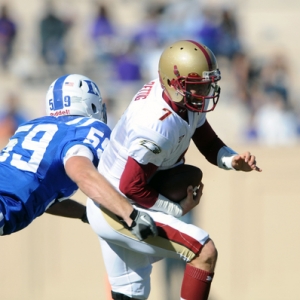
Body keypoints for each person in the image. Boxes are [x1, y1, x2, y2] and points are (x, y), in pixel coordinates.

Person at [86, 40, 262, 300]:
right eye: (198, 85)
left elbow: (208, 142)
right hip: (117, 206)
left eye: (207, 83)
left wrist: (232, 160)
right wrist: (176, 209)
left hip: (117, 200)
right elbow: (130, 187)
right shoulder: (157, 125)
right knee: (203, 251)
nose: (206, 90)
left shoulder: (180, 100)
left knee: (131, 294)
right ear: (175, 85)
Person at [0, 73, 157, 241]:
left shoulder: (31, 126)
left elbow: (42, 197)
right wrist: (130, 214)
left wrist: (84, 214)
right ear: (91, 105)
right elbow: (81, 172)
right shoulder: (87, 129)